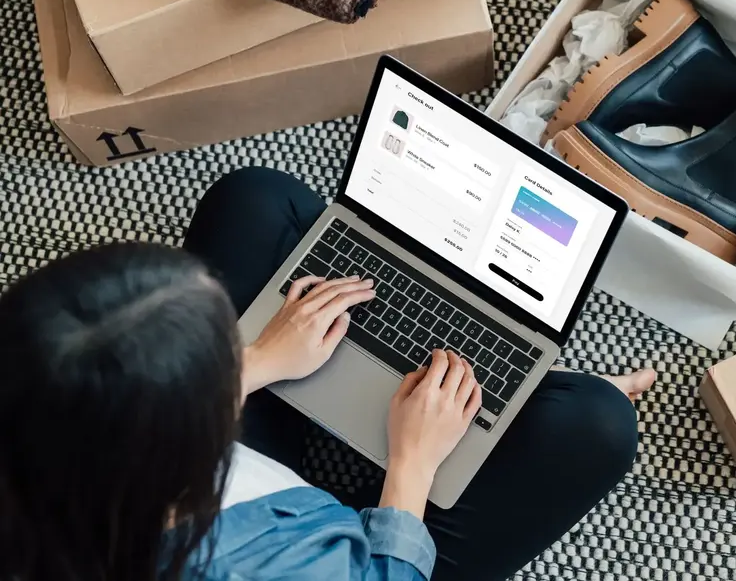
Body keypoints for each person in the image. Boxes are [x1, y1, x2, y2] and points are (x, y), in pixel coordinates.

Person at [0, 167, 656, 581]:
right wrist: (413, 467)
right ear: (187, 447)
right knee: (597, 423)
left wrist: (261, 359)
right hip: (353, 549)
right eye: (223, 355)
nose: (239, 341)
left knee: (255, 199)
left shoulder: (37, 439)